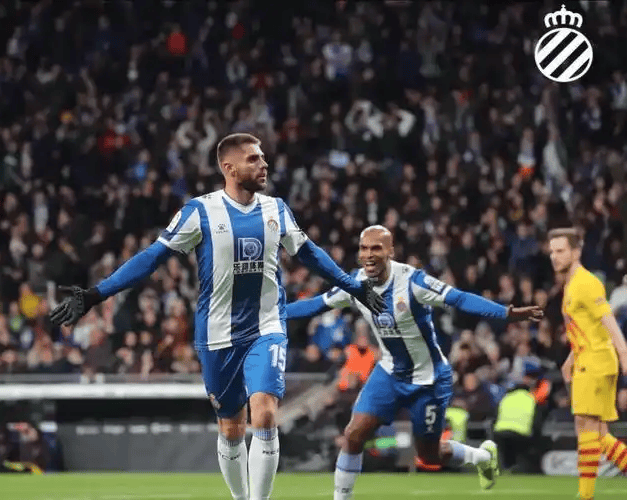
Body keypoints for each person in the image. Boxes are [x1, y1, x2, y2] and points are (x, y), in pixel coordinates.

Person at [49, 133, 384, 500]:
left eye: (262, 158)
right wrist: (97, 294)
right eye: (253, 159)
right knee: (231, 428)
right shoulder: (199, 212)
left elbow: (310, 254)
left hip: (266, 327)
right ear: (230, 168)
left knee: (265, 414)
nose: (264, 165)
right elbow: (151, 258)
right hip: (217, 334)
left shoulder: (276, 209)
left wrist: (353, 287)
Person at [285, 225, 543, 500]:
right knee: (354, 434)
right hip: (390, 373)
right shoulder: (356, 284)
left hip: (428, 379)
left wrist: (505, 313)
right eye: (364, 248)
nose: (369, 254)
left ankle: (481, 457)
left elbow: (459, 298)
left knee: (429, 455)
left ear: (390, 252)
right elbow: (316, 304)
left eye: (376, 248)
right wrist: (270, 315)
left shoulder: (413, 282)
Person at [548, 228, 627, 500]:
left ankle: (585, 495)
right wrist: (570, 359)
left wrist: (624, 354)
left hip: (595, 363)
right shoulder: (572, 284)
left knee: (586, 429)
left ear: (576, 252)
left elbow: (609, 321)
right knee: (598, 434)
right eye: (552, 251)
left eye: (560, 251)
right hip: (588, 360)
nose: (554, 256)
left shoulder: (586, 283)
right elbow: (589, 327)